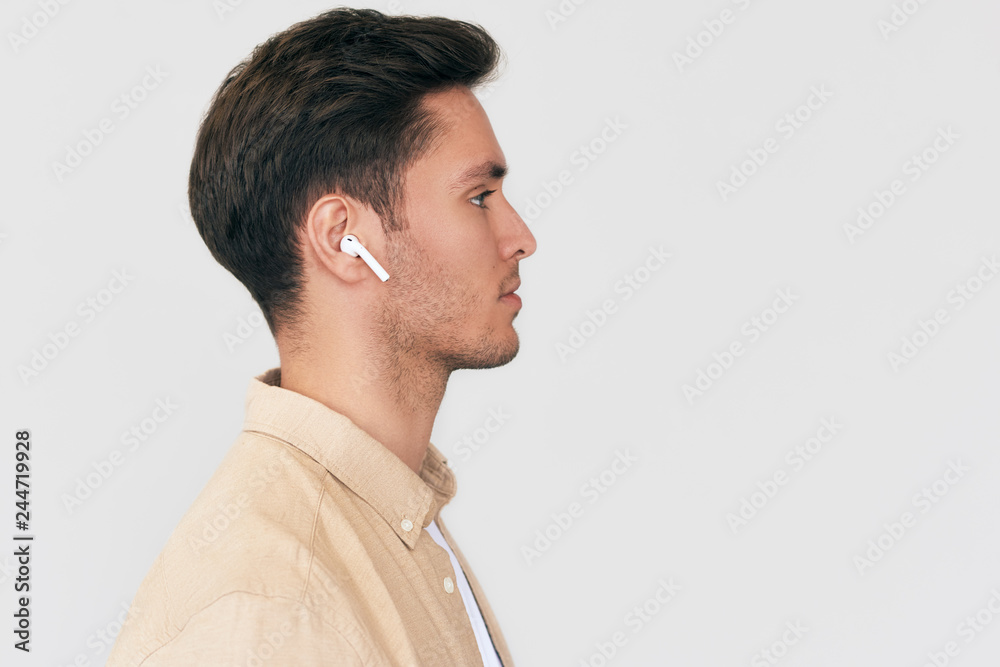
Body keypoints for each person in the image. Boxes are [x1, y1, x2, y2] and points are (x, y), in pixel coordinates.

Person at [107, 7, 535, 665]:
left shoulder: (396, 518)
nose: (521, 238)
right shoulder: (263, 603)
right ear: (346, 240)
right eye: (479, 197)